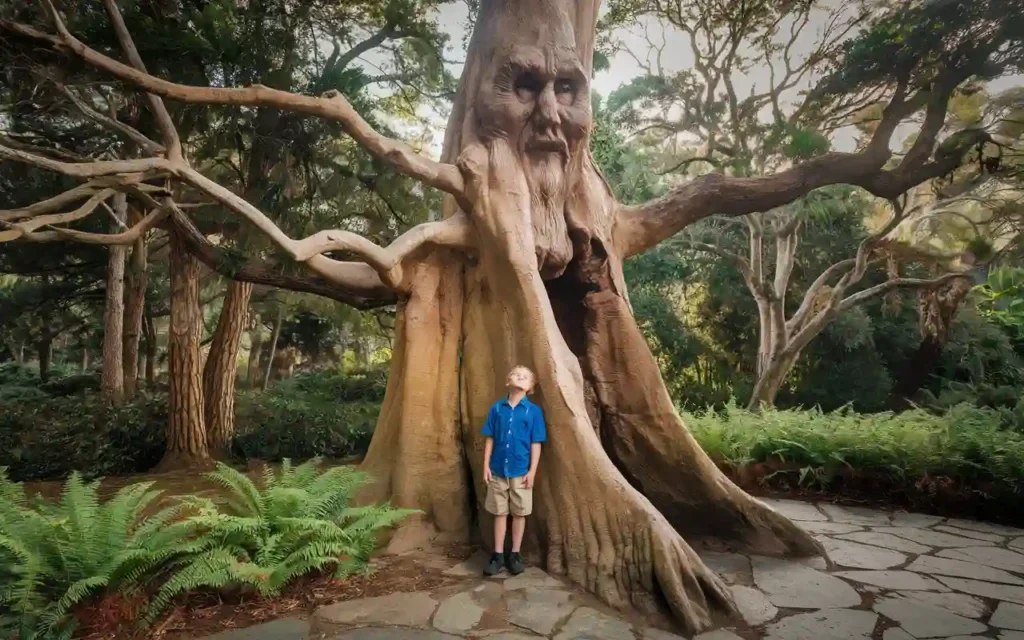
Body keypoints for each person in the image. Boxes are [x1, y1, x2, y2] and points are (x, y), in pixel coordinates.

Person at [481, 365, 547, 576]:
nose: (521, 377)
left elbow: (536, 443)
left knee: (519, 513)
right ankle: (498, 554)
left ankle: (515, 553)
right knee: (500, 513)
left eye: (525, 376)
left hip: (521, 472)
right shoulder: (497, 408)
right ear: (508, 380)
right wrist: (486, 466)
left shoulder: (534, 412)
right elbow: (489, 438)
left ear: (531, 387)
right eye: (517, 374)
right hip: (498, 470)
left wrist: (532, 472)